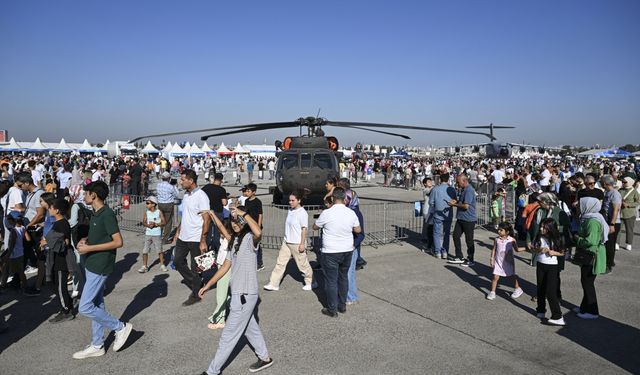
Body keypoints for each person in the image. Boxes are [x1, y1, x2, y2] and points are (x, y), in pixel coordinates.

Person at [198, 205, 274, 375]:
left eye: (237, 220)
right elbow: (226, 265)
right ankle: (265, 358)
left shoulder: (249, 239)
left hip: (245, 295)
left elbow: (259, 232)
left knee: (228, 336)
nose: (234, 223)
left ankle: (212, 371)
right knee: (249, 328)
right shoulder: (235, 241)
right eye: (232, 220)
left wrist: (243, 214)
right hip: (239, 295)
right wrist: (208, 284)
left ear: (244, 221)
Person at [74, 181, 132, 359]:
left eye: (86, 193)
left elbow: (118, 242)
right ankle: (98, 344)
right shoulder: (95, 213)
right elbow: (99, 236)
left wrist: (89, 249)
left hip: (100, 265)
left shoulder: (106, 214)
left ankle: (120, 327)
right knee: (96, 304)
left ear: (94, 195)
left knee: (84, 306)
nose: (84, 196)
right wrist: (85, 239)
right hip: (92, 263)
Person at [313, 187, 362, 317]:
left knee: (331, 281)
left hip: (331, 251)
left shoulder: (327, 213)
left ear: (333, 198)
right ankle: (342, 305)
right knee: (343, 278)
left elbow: (315, 226)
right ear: (344, 199)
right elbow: (358, 230)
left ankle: (332, 309)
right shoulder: (351, 213)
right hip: (347, 249)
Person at [172, 169, 210, 306]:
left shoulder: (202, 196)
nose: (180, 182)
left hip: (195, 238)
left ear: (191, 181)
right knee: (177, 261)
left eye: (183, 179)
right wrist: (178, 231)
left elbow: (207, 219)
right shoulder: (187, 195)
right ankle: (197, 283)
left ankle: (195, 295)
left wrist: (203, 240)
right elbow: (186, 215)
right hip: (183, 236)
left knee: (196, 268)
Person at [264, 191, 313, 291]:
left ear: (299, 200)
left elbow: (304, 229)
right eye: (289, 200)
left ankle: (311, 281)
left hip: (297, 242)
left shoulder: (302, 213)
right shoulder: (290, 210)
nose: (290, 202)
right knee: (280, 263)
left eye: (293, 200)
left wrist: (302, 243)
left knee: (303, 265)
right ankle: (274, 283)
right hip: (287, 241)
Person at [41, 198, 75, 323]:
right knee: (53, 284)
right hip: (55, 259)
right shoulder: (57, 222)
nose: (49, 209)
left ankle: (66, 310)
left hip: (62, 261)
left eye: (50, 208)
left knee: (61, 287)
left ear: (57, 210)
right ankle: (67, 303)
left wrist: (47, 242)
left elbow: (64, 242)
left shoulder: (63, 224)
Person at [574, 197, 607, 319]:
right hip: (590, 254)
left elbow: (591, 241)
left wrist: (577, 239)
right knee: (586, 281)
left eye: (580, 205)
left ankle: (593, 312)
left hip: (592, 255)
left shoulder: (592, 221)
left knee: (587, 282)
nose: (578, 207)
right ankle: (584, 307)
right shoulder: (589, 218)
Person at [202, 210, 233, 330]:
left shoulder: (230, 239)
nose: (220, 232)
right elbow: (219, 226)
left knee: (221, 294)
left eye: (222, 231)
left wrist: (213, 215)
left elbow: (220, 225)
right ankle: (230, 308)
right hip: (221, 266)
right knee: (227, 293)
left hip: (226, 268)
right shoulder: (223, 238)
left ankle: (219, 319)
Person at [532, 218, 565, 326]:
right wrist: (538, 249)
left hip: (552, 267)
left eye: (544, 228)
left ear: (550, 229)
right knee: (540, 288)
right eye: (541, 226)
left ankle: (558, 316)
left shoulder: (557, 238)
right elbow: (533, 248)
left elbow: (562, 252)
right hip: (540, 264)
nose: (541, 229)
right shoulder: (538, 236)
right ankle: (541, 310)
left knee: (550, 291)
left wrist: (552, 252)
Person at [0, 212, 38, 295]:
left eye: (8, 219)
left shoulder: (13, 231)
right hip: (21, 253)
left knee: (6, 269)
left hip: (13, 255)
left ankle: (5, 286)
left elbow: (12, 245)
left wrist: (7, 255)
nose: (7, 221)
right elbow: (28, 239)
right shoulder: (23, 227)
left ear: (12, 220)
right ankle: (22, 287)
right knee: (20, 272)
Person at [487, 222, 525, 300]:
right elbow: (494, 249)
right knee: (495, 277)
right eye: (498, 230)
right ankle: (492, 292)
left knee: (511, 276)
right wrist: (492, 259)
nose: (499, 231)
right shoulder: (496, 239)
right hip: (498, 262)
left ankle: (518, 289)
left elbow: (517, 249)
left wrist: (526, 248)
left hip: (508, 263)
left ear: (507, 232)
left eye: (501, 230)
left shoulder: (511, 240)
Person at [448, 174, 477, 266]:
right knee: (455, 236)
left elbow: (466, 206)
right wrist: (455, 201)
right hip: (461, 218)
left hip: (468, 219)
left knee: (469, 240)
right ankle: (459, 256)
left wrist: (454, 205)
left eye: (458, 182)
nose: (457, 184)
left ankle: (470, 259)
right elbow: (462, 202)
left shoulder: (469, 190)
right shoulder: (463, 190)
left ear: (464, 181)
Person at [429, 173, 457, 259]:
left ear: (440, 180)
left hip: (438, 213)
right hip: (448, 214)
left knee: (436, 233)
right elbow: (455, 201)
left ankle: (437, 252)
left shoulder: (435, 189)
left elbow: (431, 202)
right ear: (448, 180)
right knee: (446, 233)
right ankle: (445, 251)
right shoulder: (452, 189)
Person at [138, 196, 166, 273]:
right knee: (145, 250)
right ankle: (144, 266)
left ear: (153, 204)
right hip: (148, 234)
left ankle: (162, 265)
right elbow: (143, 222)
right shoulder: (146, 212)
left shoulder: (159, 212)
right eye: (146, 203)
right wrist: (148, 225)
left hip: (157, 234)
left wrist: (156, 224)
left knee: (159, 250)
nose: (146, 204)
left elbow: (164, 222)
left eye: (148, 203)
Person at [201, 173, 227, 252]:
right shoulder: (221, 190)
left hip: (207, 212)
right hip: (218, 213)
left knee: (207, 231)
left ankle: (206, 249)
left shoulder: (206, 187)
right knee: (217, 232)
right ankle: (216, 250)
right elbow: (224, 203)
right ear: (221, 180)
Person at [601, 174, 621, 273]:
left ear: (605, 183)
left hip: (613, 222)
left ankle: (608, 265)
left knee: (609, 244)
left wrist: (612, 224)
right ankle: (610, 261)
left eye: (601, 182)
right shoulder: (607, 192)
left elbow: (616, 209)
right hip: (607, 221)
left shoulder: (614, 193)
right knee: (608, 243)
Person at [242, 183, 264, 270]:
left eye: (249, 191)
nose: (247, 192)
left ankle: (259, 263)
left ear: (254, 192)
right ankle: (249, 261)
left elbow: (260, 214)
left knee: (256, 244)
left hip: (256, 225)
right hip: (248, 225)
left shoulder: (258, 202)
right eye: (246, 191)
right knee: (248, 242)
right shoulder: (246, 201)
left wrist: (258, 226)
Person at [156, 171, 178, 245]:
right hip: (168, 204)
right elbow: (176, 195)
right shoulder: (170, 186)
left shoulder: (158, 185)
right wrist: (175, 186)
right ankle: (164, 239)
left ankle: (158, 237)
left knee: (161, 220)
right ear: (169, 178)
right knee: (168, 222)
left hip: (160, 203)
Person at [619, 176, 639, 251]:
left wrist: (629, 205)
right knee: (618, 229)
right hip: (620, 212)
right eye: (622, 182)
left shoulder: (634, 192)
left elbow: (638, 202)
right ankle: (617, 243)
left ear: (630, 183)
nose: (623, 183)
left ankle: (629, 243)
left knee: (629, 229)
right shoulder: (620, 190)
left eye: (625, 182)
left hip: (629, 213)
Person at [421, 177, 434, 253]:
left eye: (431, 181)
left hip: (431, 210)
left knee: (428, 226)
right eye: (428, 182)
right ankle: (425, 240)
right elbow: (430, 191)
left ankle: (427, 239)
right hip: (427, 210)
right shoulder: (425, 190)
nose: (430, 182)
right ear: (425, 184)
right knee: (427, 226)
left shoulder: (433, 188)